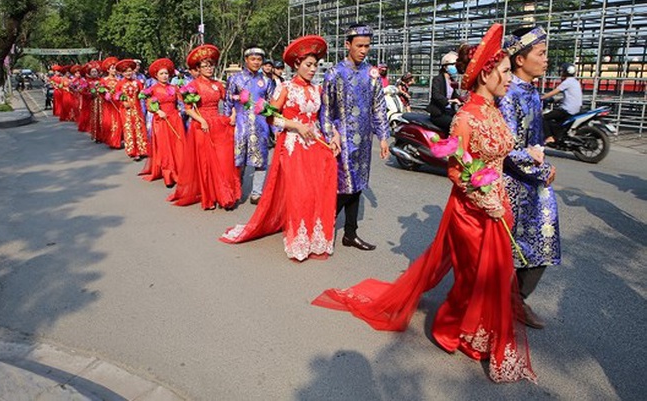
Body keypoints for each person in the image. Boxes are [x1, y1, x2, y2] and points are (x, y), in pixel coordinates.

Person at [312, 24, 536, 383]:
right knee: (473, 277)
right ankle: (449, 328)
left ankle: (480, 332)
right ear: (487, 74)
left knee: (495, 275)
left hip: (497, 206)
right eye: (506, 71)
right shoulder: (465, 117)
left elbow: (500, 154)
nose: (511, 78)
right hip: (471, 211)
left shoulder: (496, 110)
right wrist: (483, 197)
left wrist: (527, 165)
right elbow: (456, 170)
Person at [221, 35, 340, 261]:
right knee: (300, 191)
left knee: (316, 190)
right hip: (293, 145)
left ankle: (315, 237)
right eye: (308, 65)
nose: (313, 69)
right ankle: (298, 238)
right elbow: (269, 117)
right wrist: (294, 125)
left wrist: (334, 135)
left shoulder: (318, 90)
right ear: (296, 64)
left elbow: (324, 118)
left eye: (316, 65)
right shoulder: (284, 88)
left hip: (315, 146)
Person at [498, 25, 561, 330]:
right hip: (511, 184)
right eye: (541, 53)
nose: (546, 59)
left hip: (533, 183)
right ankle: (505, 303)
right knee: (508, 249)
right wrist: (542, 170)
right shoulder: (508, 94)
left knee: (542, 242)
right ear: (520, 59)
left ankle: (516, 299)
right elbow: (508, 147)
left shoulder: (531, 91)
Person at [320, 24, 390, 251]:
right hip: (342, 139)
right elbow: (326, 110)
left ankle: (350, 233)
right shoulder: (334, 74)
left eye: (367, 46)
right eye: (359, 46)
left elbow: (378, 106)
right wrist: (331, 135)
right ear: (347, 45)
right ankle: (323, 226)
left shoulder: (372, 74)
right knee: (344, 185)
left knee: (358, 185)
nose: (363, 50)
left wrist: (383, 137)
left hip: (364, 138)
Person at [169, 45, 240, 210]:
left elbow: (229, 101)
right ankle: (210, 195)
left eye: (211, 65)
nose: (209, 68)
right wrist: (201, 120)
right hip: (202, 125)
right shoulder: (192, 86)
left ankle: (226, 193)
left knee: (223, 161)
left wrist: (234, 114)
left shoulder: (219, 85)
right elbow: (188, 108)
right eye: (205, 66)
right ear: (197, 69)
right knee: (206, 162)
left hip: (219, 124)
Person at [225, 47, 275, 204]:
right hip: (240, 125)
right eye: (253, 59)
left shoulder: (267, 81)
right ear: (246, 60)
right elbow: (228, 102)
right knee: (238, 159)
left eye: (259, 60)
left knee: (260, 160)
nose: (256, 62)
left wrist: (275, 128)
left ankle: (256, 193)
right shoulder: (235, 79)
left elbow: (272, 105)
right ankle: (236, 189)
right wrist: (228, 121)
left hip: (261, 126)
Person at [139, 58, 188, 187]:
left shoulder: (174, 87)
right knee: (165, 147)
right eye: (161, 74)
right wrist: (157, 111)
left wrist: (180, 111)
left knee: (178, 145)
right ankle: (168, 175)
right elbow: (149, 105)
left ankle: (180, 171)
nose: (164, 76)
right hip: (161, 120)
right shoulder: (152, 89)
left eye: (166, 73)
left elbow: (181, 103)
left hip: (175, 119)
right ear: (156, 75)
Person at [114, 59, 149, 161]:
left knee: (139, 127)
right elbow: (116, 96)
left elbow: (143, 94)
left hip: (137, 108)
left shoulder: (137, 82)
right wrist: (123, 102)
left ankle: (142, 149)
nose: (128, 73)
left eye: (129, 71)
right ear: (122, 73)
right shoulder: (120, 84)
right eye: (125, 71)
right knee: (129, 128)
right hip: (126, 110)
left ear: (133, 71)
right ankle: (133, 151)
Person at [541, 63, 583, 143]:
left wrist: (541, 97)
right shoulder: (575, 81)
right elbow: (571, 96)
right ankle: (558, 135)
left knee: (543, 117)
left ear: (564, 72)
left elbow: (555, 91)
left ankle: (549, 137)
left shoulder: (567, 82)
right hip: (575, 109)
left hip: (567, 110)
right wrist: (558, 100)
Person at [426, 51, 461, 134]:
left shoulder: (452, 81)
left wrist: (464, 100)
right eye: (452, 65)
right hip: (439, 114)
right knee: (455, 124)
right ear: (445, 67)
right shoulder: (437, 79)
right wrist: (451, 101)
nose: (455, 67)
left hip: (449, 112)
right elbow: (436, 95)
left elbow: (455, 95)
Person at [100, 56, 123, 150]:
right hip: (109, 104)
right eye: (112, 68)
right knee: (111, 122)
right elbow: (100, 91)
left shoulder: (119, 80)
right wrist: (105, 94)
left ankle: (117, 140)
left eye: (115, 68)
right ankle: (112, 141)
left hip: (118, 103)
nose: (114, 70)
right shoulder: (104, 80)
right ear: (108, 70)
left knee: (119, 122)